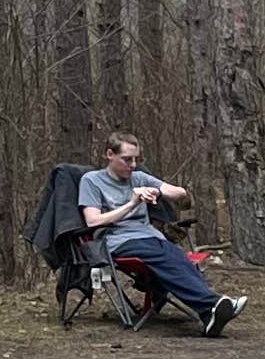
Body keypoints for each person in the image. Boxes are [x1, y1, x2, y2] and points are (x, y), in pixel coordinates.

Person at [81, 133, 246, 335]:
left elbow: (180, 193)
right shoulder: (92, 181)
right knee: (165, 256)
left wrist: (157, 192)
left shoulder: (139, 177)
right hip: (117, 240)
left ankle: (209, 314)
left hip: (149, 237)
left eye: (136, 159)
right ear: (109, 154)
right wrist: (132, 203)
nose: (133, 165)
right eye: (127, 159)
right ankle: (212, 304)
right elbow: (92, 221)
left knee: (178, 257)